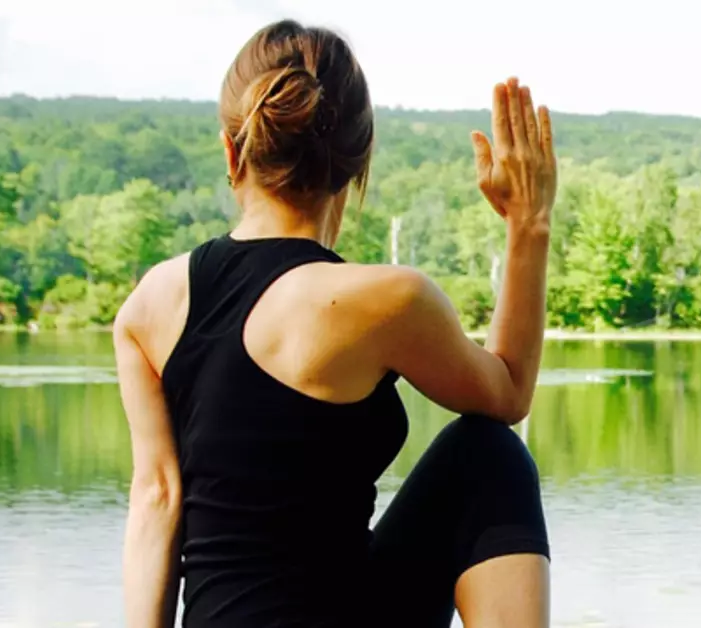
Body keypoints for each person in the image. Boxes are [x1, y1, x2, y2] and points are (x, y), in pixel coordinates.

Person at [112, 19, 556, 628]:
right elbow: (506, 392)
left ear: (232, 150)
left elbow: (156, 499)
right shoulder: (387, 299)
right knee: (489, 455)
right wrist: (528, 225)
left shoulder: (148, 306)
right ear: (358, 159)